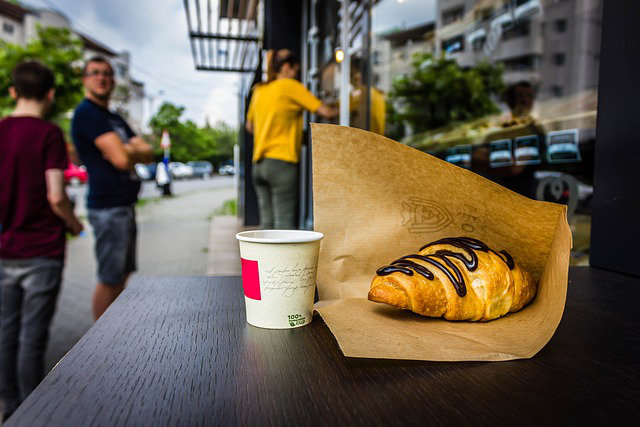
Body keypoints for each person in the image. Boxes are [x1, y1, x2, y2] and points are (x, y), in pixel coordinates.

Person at [0, 61, 84, 420]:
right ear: (50, 94)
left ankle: (10, 406)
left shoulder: (1, 131)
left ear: (13, 92)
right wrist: (74, 223)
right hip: (42, 251)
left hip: (4, 251)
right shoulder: (49, 135)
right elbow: (55, 195)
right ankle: (32, 412)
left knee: (6, 331)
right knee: (32, 337)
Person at [71, 56, 153, 320]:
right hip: (108, 208)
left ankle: (112, 332)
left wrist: (126, 150)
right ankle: (99, 345)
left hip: (123, 206)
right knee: (109, 278)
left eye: (106, 73)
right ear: (85, 79)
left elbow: (148, 153)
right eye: (94, 73)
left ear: (113, 80)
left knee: (122, 275)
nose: (101, 77)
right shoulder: (88, 114)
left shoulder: (113, 117)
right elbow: (120, 160)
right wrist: (128, 150)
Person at [245, 49, 337, 229]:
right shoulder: (290, 86)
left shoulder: (259, 90)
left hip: (258, 165)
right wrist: (350, 105)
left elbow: (250, 127)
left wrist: (269, 129)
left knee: (267, 225)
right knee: (283, 227)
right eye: (296, 70)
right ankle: (280, 259)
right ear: (287, 67)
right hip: (281, 163)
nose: (297, 74)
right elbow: (326, 112)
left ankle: (264, 258)